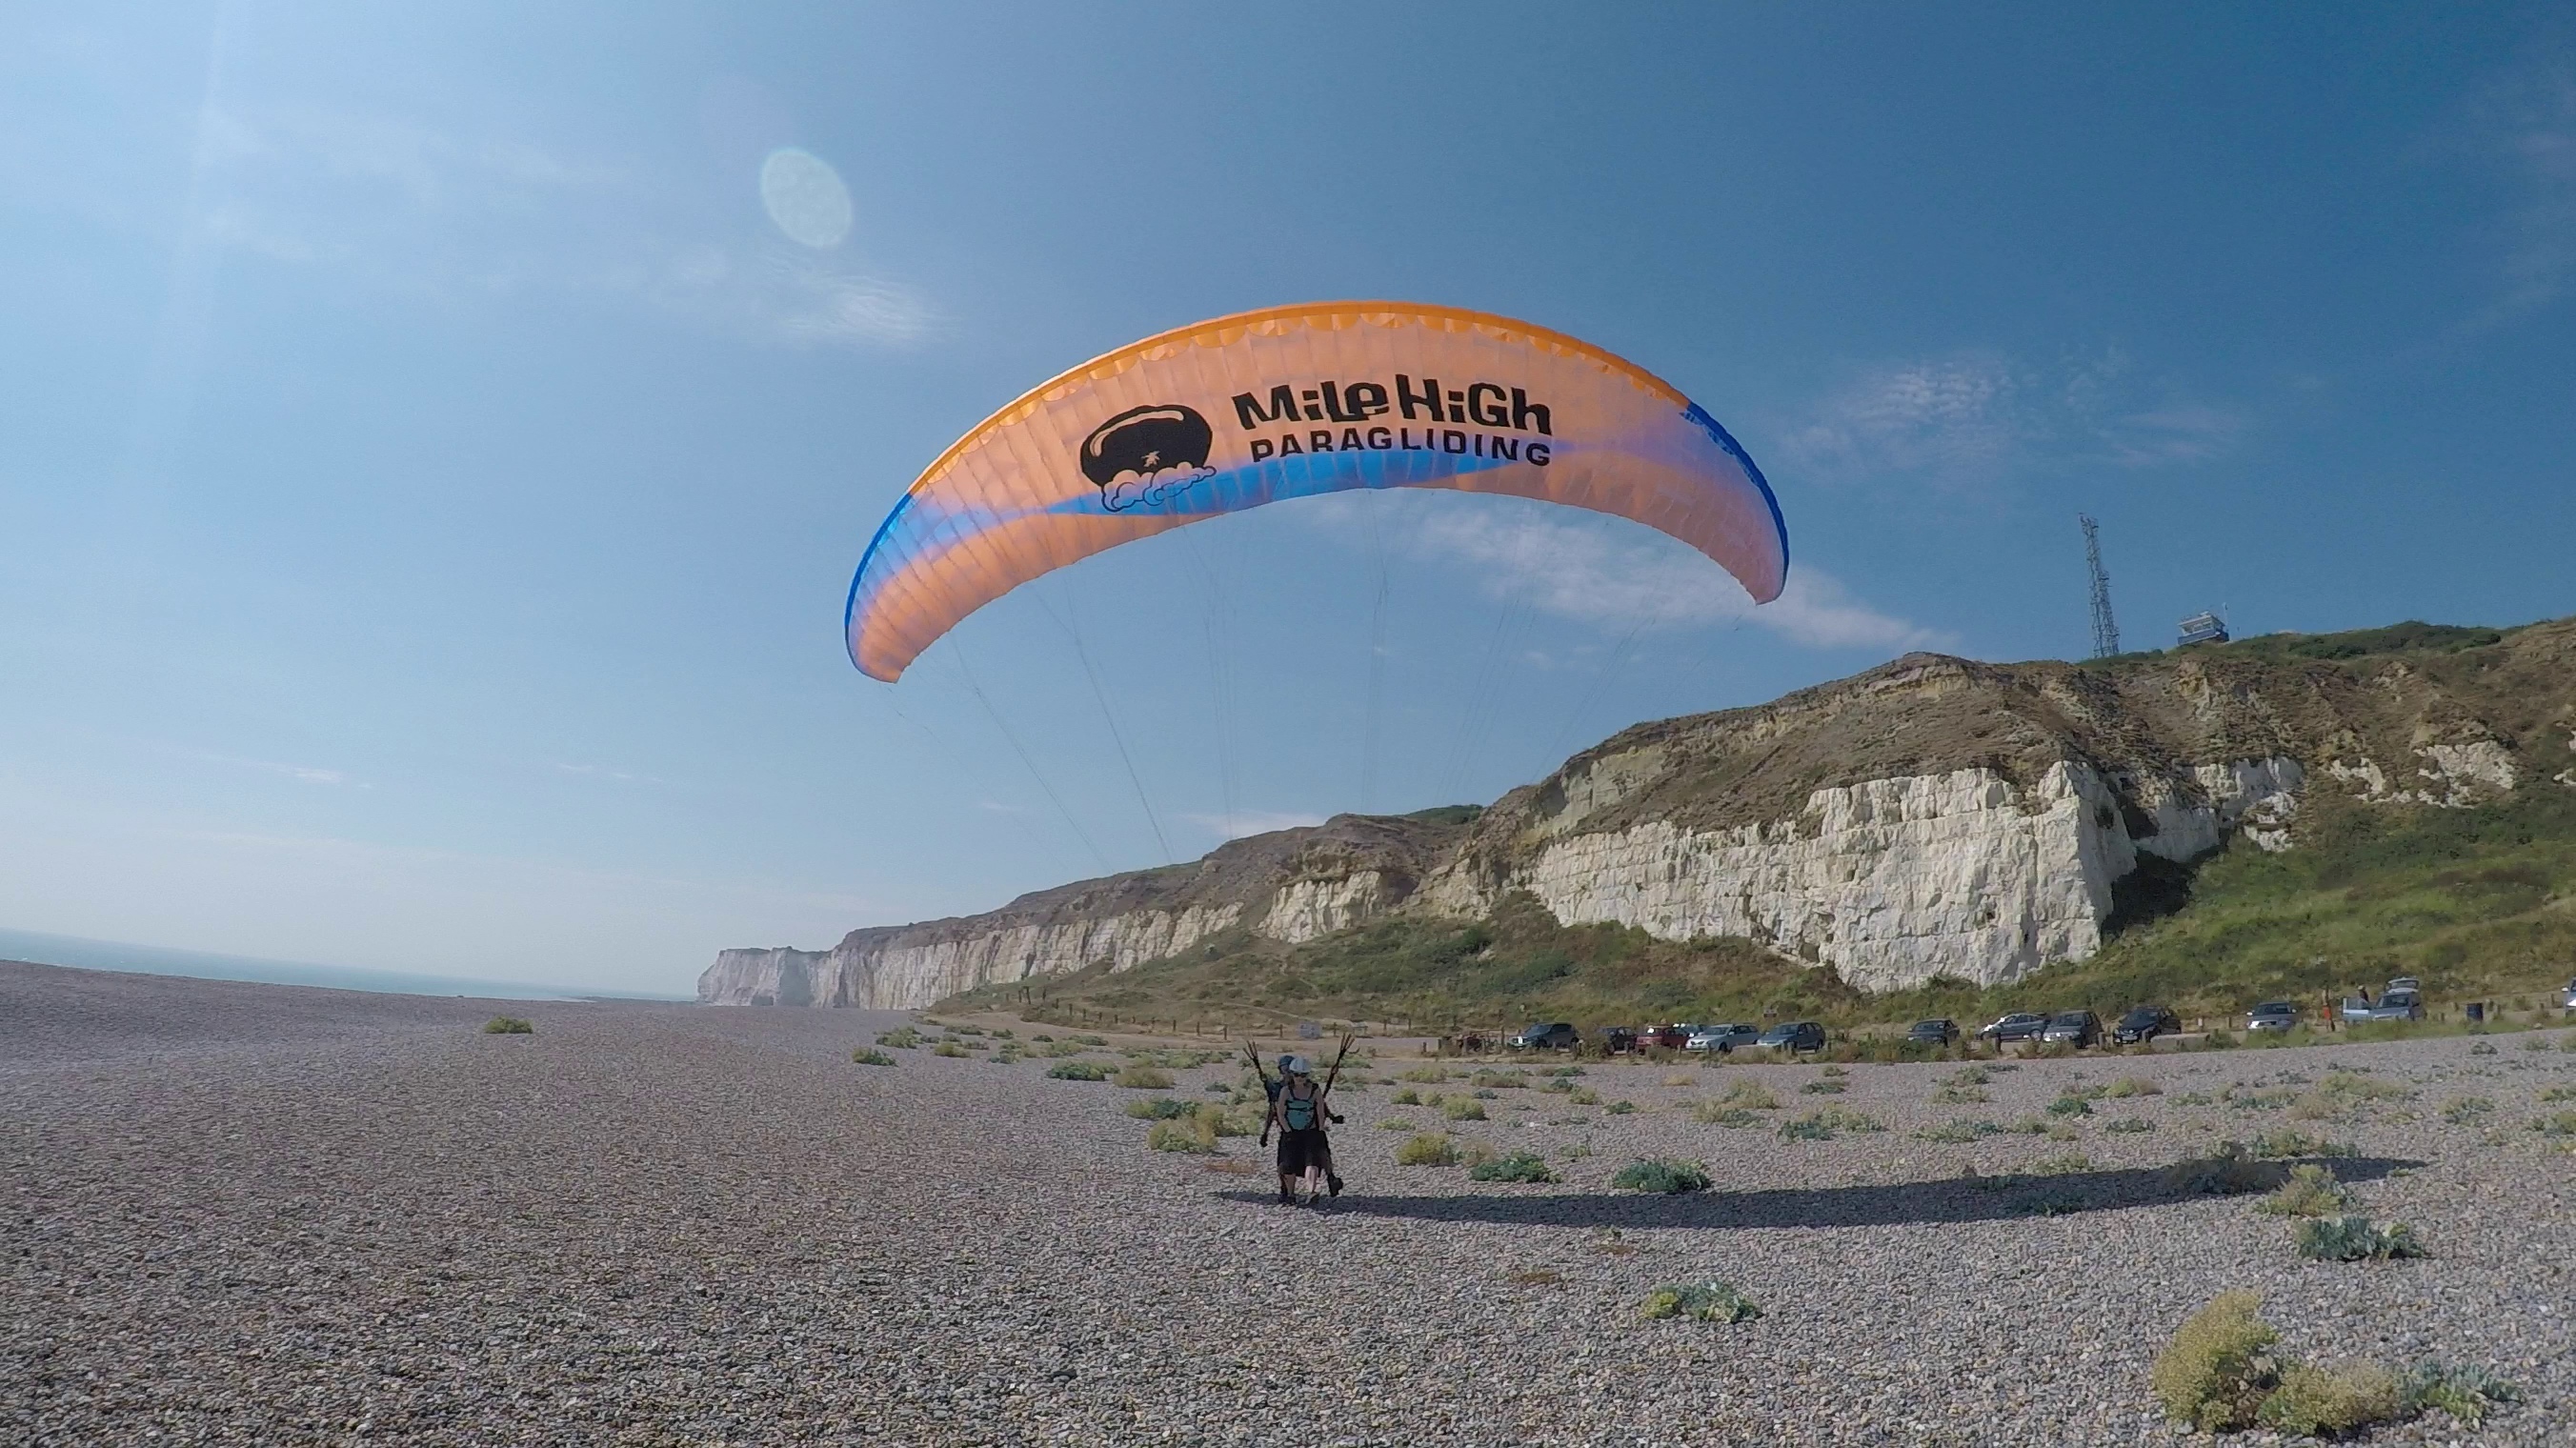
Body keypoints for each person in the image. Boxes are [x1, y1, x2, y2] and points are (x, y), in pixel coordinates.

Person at [1264, 1055, 1341, 1206]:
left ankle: (1329, 1177)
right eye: (1285, 1070)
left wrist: (1328, 1120)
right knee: (1286, 1164)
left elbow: (1321, 1108)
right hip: (1290, 1131)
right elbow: (1274, 1111)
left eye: (1289, 1070)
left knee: (1319, 1155)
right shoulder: (1279, 1088)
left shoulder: (1312, 1088)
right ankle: (1286, 1191)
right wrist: (1268, 1132)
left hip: (1309, 1129)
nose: (1287, 1074)